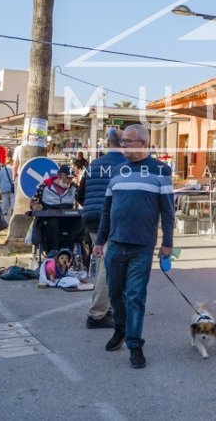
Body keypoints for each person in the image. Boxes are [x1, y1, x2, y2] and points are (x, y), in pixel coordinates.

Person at [93, 124, 174, 370]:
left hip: (142, 246)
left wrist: (167, 243)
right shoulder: (117, 170)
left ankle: (134, 344)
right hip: (115, 243)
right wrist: (100, 240)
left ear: (143, 143)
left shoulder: (161, 170)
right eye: (122, 141)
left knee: (136, 295)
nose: (123, 145)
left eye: (127, 141)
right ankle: (120, 329)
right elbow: (107, 209)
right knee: (115, 293)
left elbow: (167, 211)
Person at [82, 131, 125, 330]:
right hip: (112, 218)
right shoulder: (125, 165)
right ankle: (97, 314)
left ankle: (105, 308)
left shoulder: (94, 164)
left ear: (108, 143)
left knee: (102, 262)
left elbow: (80, 193)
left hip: (91, 218)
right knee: (109, 266)